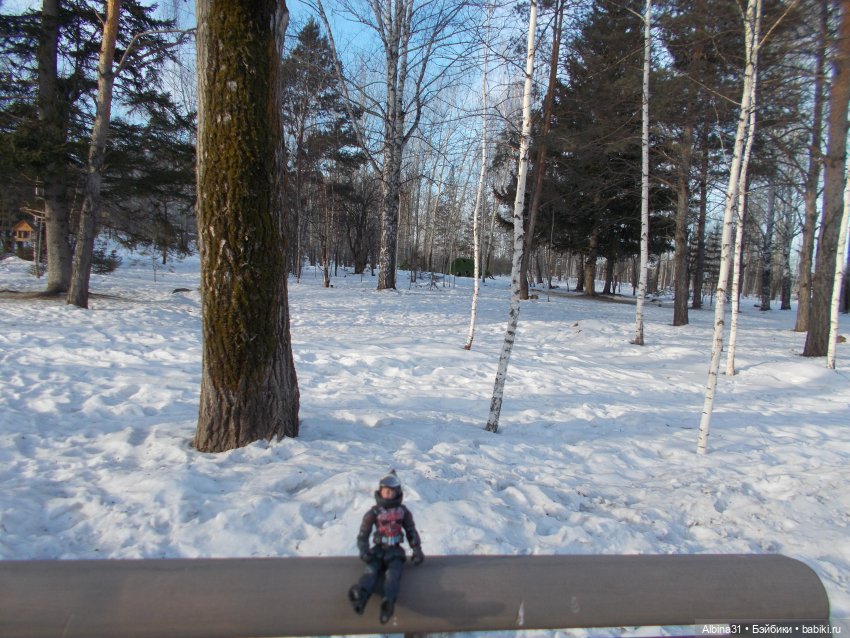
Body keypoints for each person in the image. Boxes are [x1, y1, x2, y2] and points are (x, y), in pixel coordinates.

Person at [348, 470, 424, 624]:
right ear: (380, 491)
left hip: (395, 551)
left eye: (391, 491)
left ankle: (388, 602)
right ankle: (361, 596)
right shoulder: (374, 513)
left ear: (397, 493)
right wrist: (364, 551)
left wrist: (416, 549)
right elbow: (363, 535)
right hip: (378, 550)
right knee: (370, 571)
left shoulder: (402, 512)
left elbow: (411, 531)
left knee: (393, 576)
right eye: (385, 491)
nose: (388, 494)